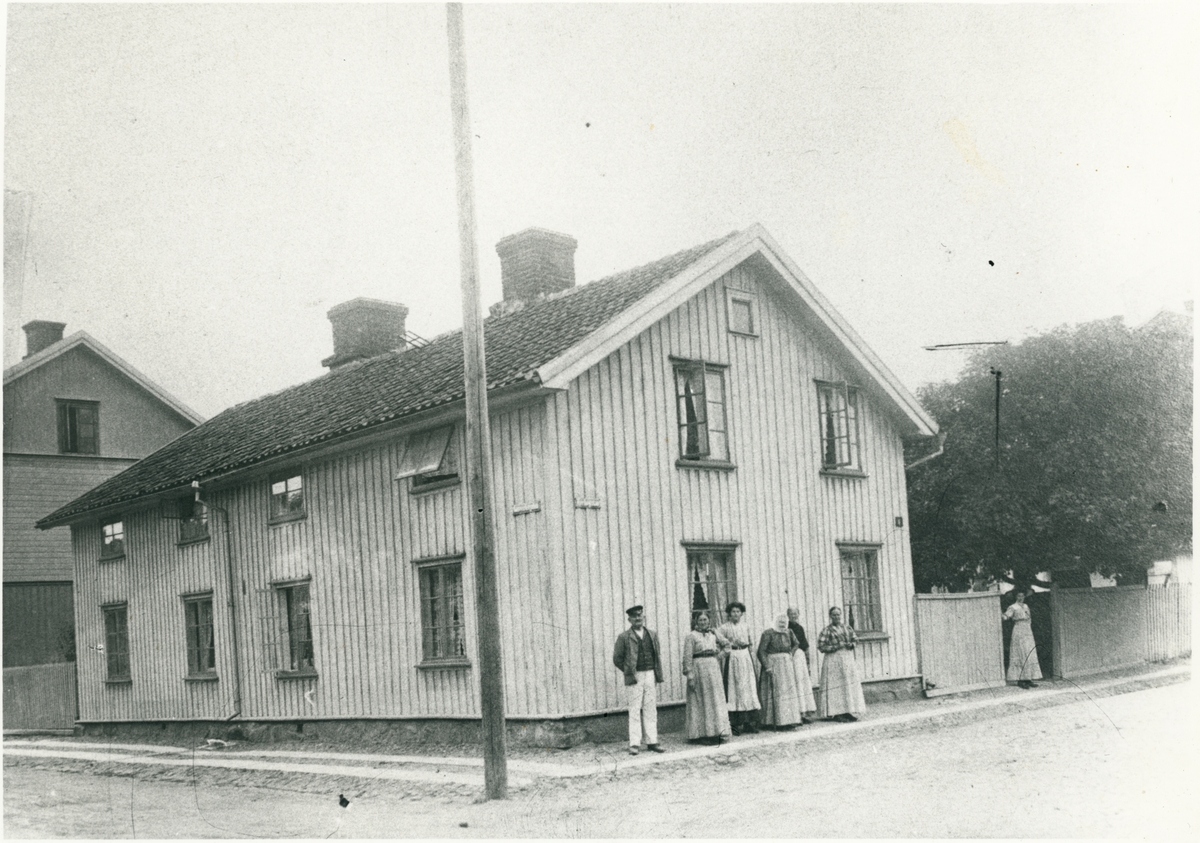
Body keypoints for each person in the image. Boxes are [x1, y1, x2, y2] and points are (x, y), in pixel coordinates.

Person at [612, 604, 666, 755]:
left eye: (639, 615)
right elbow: (617, 658)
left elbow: (656, 655)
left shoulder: (652, 634)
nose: (637, 618)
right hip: (635, 676)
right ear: (629, 619)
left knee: (651, 708)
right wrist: (629, 671)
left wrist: (655, 673)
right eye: (634, 616)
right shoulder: (624, 637)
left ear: (643, 617)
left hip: (650, 674)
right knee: (635, 709)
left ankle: (652, 741)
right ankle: (634, 743)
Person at [681, 611, 732, 744]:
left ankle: (716, 732)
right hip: (698, 668)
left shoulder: (713, 635)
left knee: (714, 699)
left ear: (709, 621)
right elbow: (687, 658)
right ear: (696, 621)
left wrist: (718, 656)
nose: (703, 622)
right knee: (701, 700)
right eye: (700, 620)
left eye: (705, 620)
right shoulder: (691, 636)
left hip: (713, 668)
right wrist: (690, 675)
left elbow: (727, 646)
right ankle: (702, 734)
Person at [716, 601, 761, 734]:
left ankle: (749, 722)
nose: (735, 614)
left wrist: (749, 652)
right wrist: (729, 645)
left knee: (748, 687)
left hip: (745, 657)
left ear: (741, 613)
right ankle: (735, 724)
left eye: (738, 612)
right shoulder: (724, 628)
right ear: (729, 614)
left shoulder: (746, 626)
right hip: (733, 657)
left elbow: (751, 643)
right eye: (733, 612)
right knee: (734, 688)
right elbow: (717, 642)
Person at [816, 606, 866, 722]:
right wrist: (836, 646)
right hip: (833, 659)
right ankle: (837, 712)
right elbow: (821, 646)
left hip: (847, 658)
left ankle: (848, 710)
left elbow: (855, 639)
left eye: (838, 614)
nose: (836, 617)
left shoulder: (847, 628)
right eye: (834, 615)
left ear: (841, 615)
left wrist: (851, 645)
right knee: (836, 685)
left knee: (847, 683)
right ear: (830, 616)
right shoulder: (827, 630)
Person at [757, 614, 804, 729]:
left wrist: (791, 653)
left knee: (787, 691)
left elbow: (796, 643)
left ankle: (789, 720)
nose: (782, 625)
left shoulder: (789, 632)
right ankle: (772, 721)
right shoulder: (768, 633)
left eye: (784, 622)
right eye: (780, 622)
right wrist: (767, 666)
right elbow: (761, 651)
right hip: (773, 663)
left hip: (786, 664)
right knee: (776, 691)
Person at [1002, 590, 1043, 689]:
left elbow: (1029, 618)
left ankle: (1028, 679)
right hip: (1018, 630)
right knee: (1020, 653)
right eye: (1019, 596)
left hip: (1027, 630)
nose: (1021, 598)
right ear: (1016, 597)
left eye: (1022, 596)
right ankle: (1020, 680)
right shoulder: (1013, 607)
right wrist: (1001, 614)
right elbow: (1006, 617)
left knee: (1029, 652)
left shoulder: (1025, 606)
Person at [787, 606, 817, 723]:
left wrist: (808, 659)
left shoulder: (799, 628)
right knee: (794, 682)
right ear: (787, 615)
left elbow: (804, 644)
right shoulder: (785, 627)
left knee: (801, 682)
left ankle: (804, 711)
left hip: (799, 657)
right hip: (790, 656)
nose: (793, 616)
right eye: (791, 614)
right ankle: (795, 714)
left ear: (798, 615)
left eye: (795, 614)